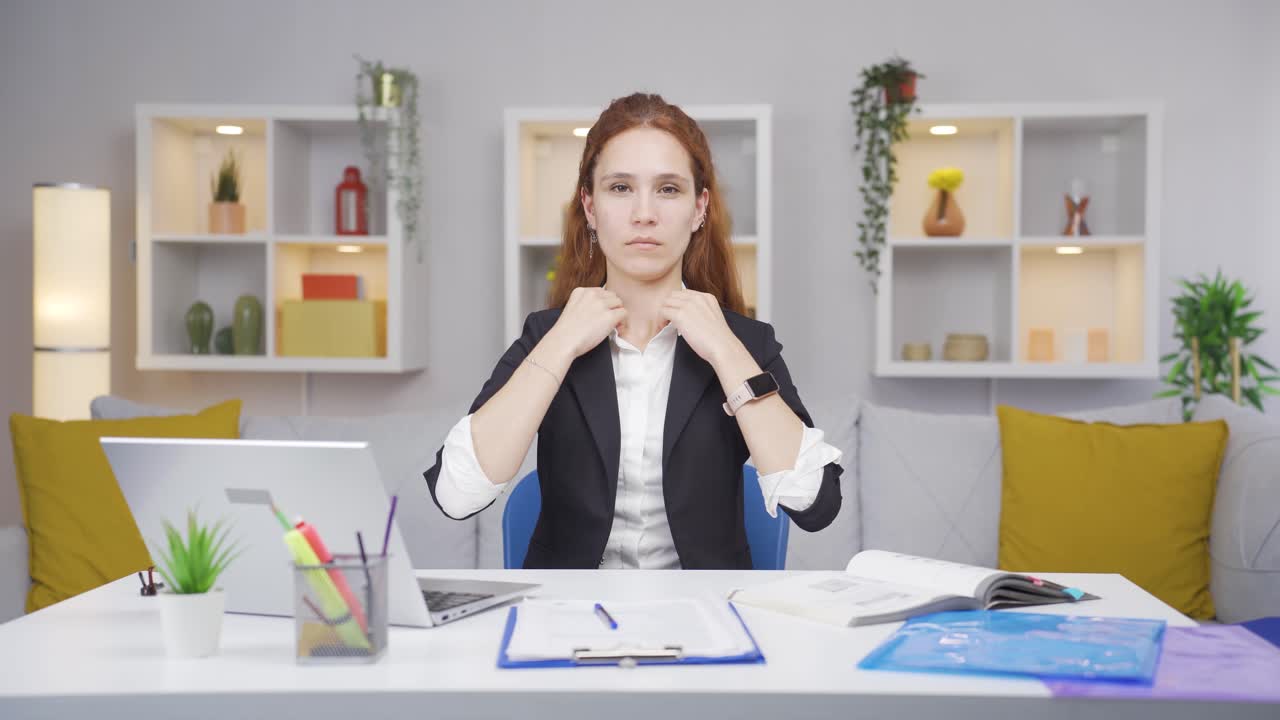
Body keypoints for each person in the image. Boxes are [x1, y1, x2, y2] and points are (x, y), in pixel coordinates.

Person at [423, 92, 843, 569]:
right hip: (567, 619)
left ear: (699, 208)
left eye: (668, 189)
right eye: (620, 188)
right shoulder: (548, 335)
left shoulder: (746, 343)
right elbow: (456, 495)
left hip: (705, 617)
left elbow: (815, 504)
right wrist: (559, 344)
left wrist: (726, 351)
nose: (644, 213)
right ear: (590, 206)